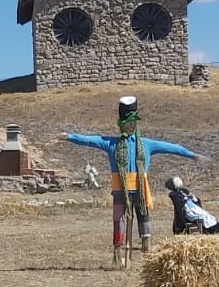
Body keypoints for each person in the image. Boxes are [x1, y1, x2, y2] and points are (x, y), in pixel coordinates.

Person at [62, 95, 198, 264]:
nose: (130, 125)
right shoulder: (111, 144)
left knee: (143, 216)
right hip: (120, 191)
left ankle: (146, 248)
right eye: (126, 122)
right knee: (118, 218)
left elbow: (171, 147)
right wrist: (69, 137)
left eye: (132, 122)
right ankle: (118, 253)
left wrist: (190, 154)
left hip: (140, 190)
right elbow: (89, 140)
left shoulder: (146, 145)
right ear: (121, 124)